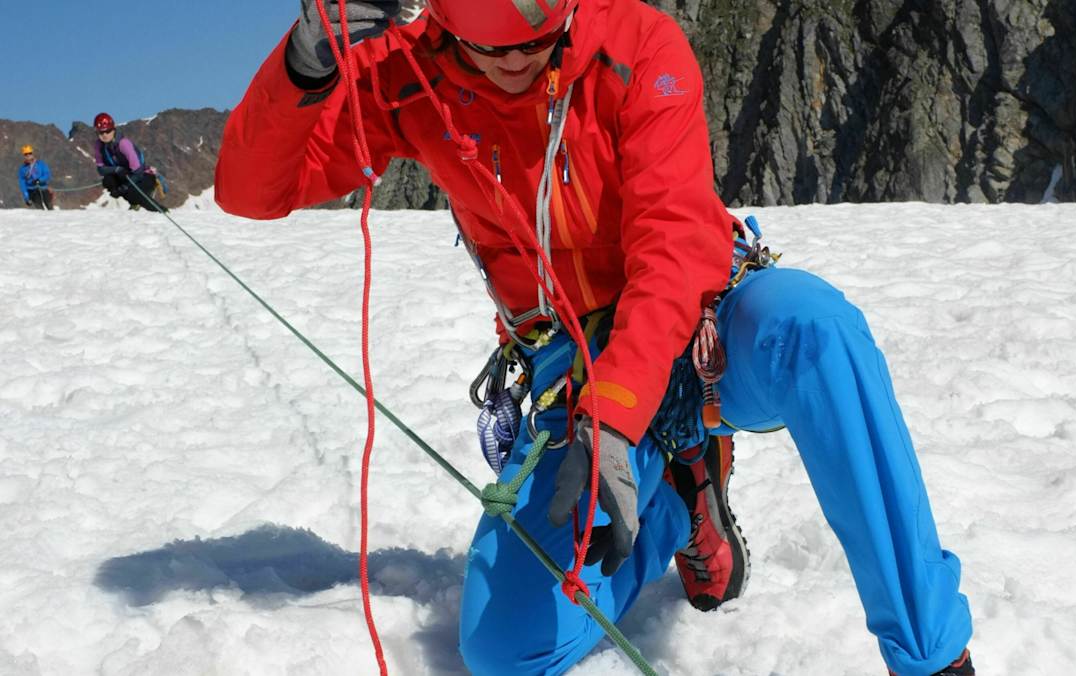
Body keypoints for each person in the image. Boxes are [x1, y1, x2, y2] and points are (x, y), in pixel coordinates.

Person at [215, 2, 975, 675]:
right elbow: (254, 191)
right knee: (505, 650)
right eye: (494, 48)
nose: (516, 62)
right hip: (566, 363)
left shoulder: (636, 44)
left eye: (536, 43)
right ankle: (680, 500)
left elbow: (674, 244)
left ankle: (931, 655)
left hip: (709, 323)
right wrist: (302, 68)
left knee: (815, 328)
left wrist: (614, 412)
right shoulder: (404, 75)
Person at [92, 112, 166, 212]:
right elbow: (101, 169)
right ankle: (134, 201)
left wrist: (124, 187)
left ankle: (160, 210)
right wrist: (117, 170)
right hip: (124, 175)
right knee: (108, 181)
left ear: (113, 129)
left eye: (108, 131)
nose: (104, 135)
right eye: (100, 132)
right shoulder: (99, 145)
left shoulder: (124, 144)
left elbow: (138, 171)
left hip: (143, 175)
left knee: (133, 192)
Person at [17, 144, 53, 210]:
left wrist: (40, 180)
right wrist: (26, 197)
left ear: (32, 154)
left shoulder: (41, 164)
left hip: (43, 188)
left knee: (50, 207)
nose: (28, 155)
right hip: (32, 191)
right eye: (26, 154)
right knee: (40, 210)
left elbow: (47, 174)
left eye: (29, 153)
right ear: (24, 155)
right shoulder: (22, 169)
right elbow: (22, 183)